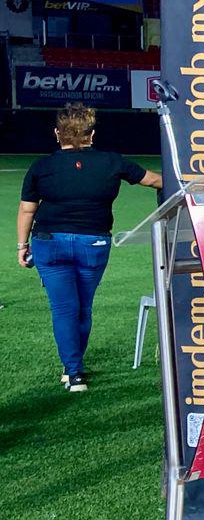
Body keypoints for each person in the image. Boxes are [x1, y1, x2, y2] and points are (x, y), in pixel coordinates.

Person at [16, 103, 161, 393]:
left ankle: (73, 371)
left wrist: (22, 246)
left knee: (64, 309)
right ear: (91, 134)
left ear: (58, 134)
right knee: (82, 307)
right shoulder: (111, 161)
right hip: (92, 243)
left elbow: (26, 210)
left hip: (50, 242)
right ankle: (74, 369)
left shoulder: (41, 166)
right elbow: (157, 180)